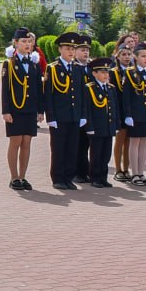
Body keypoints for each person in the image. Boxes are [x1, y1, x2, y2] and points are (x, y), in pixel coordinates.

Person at [1, 28, 44, 191]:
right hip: (15, 109)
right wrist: (5, 111)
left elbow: (39, 88)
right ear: (16, 43)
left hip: (31, 109)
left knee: (27, 142)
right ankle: (13, 177)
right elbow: (5, 88)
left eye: (29, 41)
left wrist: (41, 110)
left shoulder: (34, 63)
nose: (27, 44)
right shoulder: (9, 63)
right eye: (24, 42)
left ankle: (23, 176)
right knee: (15, 141)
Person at [44, 32, 86, 190]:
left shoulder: (77, 69)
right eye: (68, 48)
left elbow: (82, 94)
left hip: (74, 116)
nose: (71, 52)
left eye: (73, 49)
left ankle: (69, 177)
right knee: (59, 148)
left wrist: (83, 115)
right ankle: (58, 178)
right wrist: (50, 116)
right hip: (60, 116)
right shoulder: (53, 68)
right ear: (60, 49)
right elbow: (48, 95)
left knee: (72, 148)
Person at [120, 43, 146, 186]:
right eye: (143, 56)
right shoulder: (130, 73)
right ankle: (134, 173)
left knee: (144, 143)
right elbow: (127, 96)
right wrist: (128, 114)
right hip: (135, 113)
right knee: (134, 142)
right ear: (135, 57)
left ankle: (141, 172)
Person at [83, 56, 119, 188]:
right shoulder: (90, 88)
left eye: (107, 72)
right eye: (102, 72)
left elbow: (114, 108)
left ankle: (103, 177)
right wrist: (89, 126)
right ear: (94, 73)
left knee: (106, 154)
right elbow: (88, 110)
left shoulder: (110, 88)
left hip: (108, 126)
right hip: (96, 127)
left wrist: (116, 125)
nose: (106, 75)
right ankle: (95, 177)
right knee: (96, 154)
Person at [110, 43, 134, 181]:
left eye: (128, 54)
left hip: (131, 111)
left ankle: (126, 169)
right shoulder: (113, 72)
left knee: (129, 141)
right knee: (120, 141)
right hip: (119, 110)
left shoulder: (133, 71)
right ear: (117, 57)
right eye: (123, 54)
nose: (126, 57)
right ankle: (118, 169)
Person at [72, 35, 93, 183]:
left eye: (87, 50)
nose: (85, 53)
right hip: (77, 111)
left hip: (92, 111)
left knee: (87, 143)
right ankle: (77, 172)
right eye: (82, 50)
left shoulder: (92, 67)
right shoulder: (73, 67)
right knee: (77, 143)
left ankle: (86, 171)